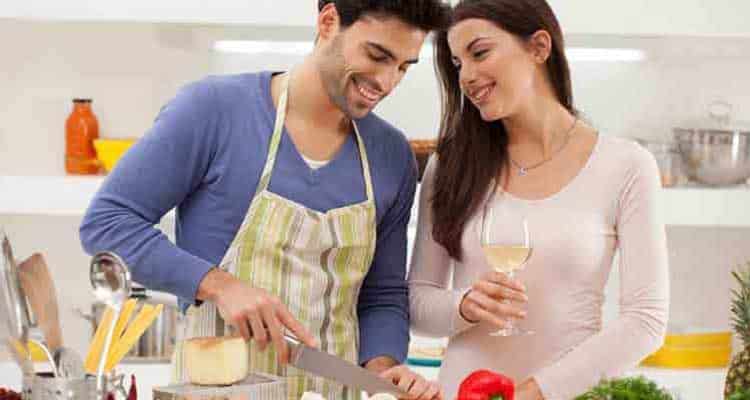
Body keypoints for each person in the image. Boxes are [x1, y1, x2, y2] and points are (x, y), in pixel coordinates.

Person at [80, 1, 450, 399]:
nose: (387, 81)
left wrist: (384, 370)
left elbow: (382, 294)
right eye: (377, 55)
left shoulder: (390, 154)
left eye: (404, 66)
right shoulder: (213, 111)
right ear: (328, 22)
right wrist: (218, 284)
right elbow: (107, 223)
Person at [408, 0, 669, 399]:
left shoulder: (627, 166)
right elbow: (417, 300)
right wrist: (464, 306)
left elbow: (645, 320)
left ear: (539, 47)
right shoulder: (450, 165)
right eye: (459, 65)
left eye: (480, 53)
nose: (468, 77)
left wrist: (535, 392)